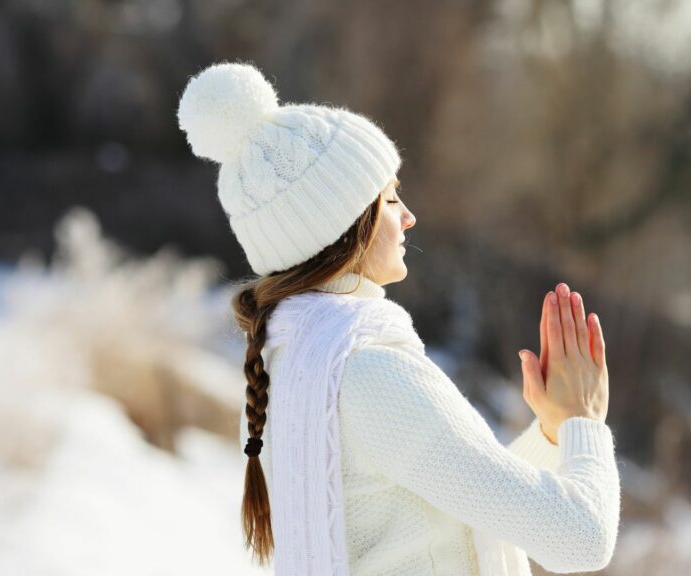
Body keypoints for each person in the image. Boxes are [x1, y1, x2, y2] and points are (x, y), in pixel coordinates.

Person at [177, 62, 620, 576]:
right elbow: (581, 540)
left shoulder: (289, 366)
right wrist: (584, 423)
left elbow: (461, 501)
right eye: (389, 198)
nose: (408, 215)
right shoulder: (370, 373)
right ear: (343, 227)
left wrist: (550, 433)